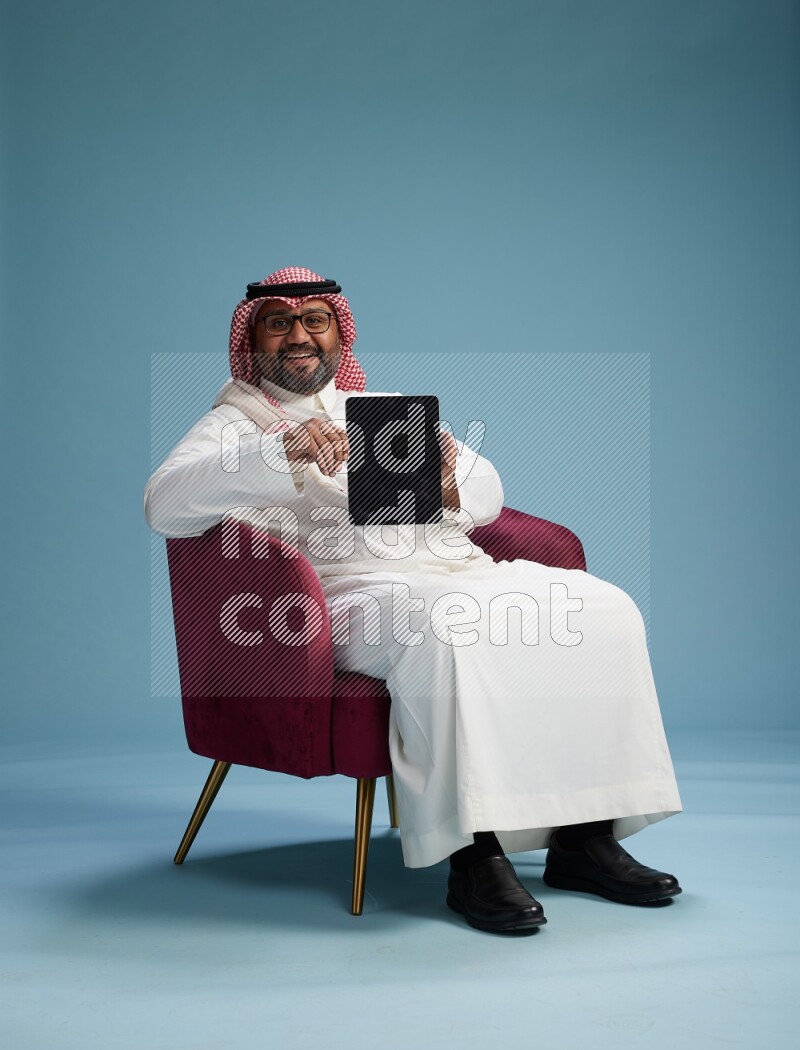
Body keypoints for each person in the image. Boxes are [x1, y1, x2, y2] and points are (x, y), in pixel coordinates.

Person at [145, 266, 683, 934]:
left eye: (315, 320)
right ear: (251, 341)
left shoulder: (384, 408)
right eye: (278, 323)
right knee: (447, 630)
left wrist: (451, 473)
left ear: (339, 334)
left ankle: (584, 839)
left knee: (602, 610)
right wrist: (273, 454)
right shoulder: (230, 426)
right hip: (343, 594)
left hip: (454, 564)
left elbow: (488, 495)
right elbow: (163, 505)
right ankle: (472, 855)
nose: (298, 336)